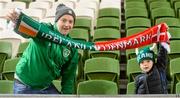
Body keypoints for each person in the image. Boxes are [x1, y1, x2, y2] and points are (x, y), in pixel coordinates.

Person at [6, 4, 78, 94]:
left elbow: (69, 77)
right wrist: (14, 20)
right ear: (56, 21)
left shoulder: (72, 47)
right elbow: (25, 31)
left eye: (70, 22)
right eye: (63, 20)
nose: (67, 24)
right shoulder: (45, 29)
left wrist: (66, 95)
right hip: (24, 83)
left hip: (45, 86)